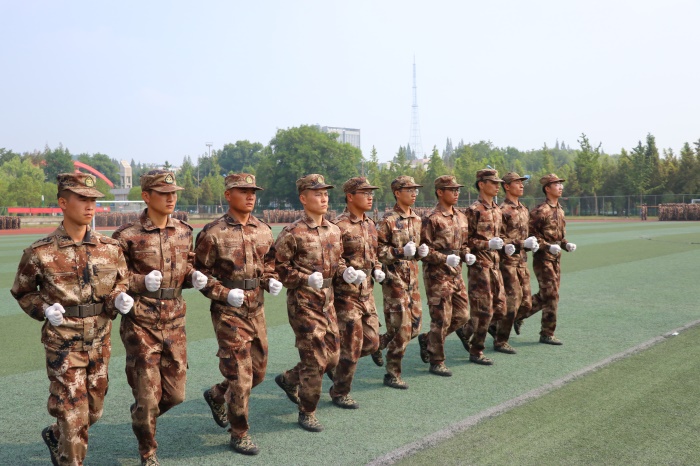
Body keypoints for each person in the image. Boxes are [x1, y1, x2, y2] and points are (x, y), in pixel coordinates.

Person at [11, 172, 133, 466]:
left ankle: (56, 435)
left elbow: (122, 281)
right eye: (82, 198)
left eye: (93, 199)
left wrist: (118, 298)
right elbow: (23, 291)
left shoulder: (110, 248)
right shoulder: (40, 252)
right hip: (63, 344)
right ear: (63, 203)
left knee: (93, 410)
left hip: (99, 341)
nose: (90, 205)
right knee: (74, 415)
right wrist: (44, 309)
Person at [112, 170, 206, 466]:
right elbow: (114, 278)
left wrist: (194, 276)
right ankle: (148, 452)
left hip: (175, 321)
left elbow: (186, 268)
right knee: (148, 397)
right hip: (141, 323)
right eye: (163, 193)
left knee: (176, 395)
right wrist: (140, 282)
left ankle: (142, 415)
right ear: (146, 196)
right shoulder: (126, 235)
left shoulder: (184, 231)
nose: (170, 198)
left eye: (173, 193)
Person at [194, 173, 282, 455]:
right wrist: (223, 293)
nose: (250, 196)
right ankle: (239, 433)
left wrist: (270, 280)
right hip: (228, 313)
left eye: (253, 191)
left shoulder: (263, 230)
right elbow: (199, 275)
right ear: (228, 195)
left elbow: (270, 265)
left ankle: (217, 394)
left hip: (256, 310)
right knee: (241, 378)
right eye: (243, 190)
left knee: (258, 372)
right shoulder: (213, 233)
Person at [273, 174, 358, 432]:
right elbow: (278, 268)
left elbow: (338, 261)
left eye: (325, 193)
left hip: (327, 302)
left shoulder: (333, 230)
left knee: (332, 357)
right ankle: (307, 411)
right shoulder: (292, 232)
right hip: (303, 303)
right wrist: (304, 278)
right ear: (303, 198)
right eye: (317, 194)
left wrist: (345, 271)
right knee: (315, 359)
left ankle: (290, 379)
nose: (323, 198)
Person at [328, 177, 383, 409]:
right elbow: (333, 258)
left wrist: (377, 268)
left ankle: (332, 364)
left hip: (366, 293)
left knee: (372, 342)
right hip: (345, 295)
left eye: (371, 193)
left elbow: (374, 254)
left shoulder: (370, 224)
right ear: (350, 197)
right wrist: (345, 272)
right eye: (365, 193)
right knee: (351, 348)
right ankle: (340, 392)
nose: (370, 197)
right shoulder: (337, 226)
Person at [416, 176, 476, 377]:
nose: (456, 193)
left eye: (457, 189)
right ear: (440, 192)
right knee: (441, 319)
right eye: (452, 189)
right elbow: (424, 251)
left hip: (456, 273)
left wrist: (466, 254)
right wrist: (444, 258)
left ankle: (428, 339)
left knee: (462, 316)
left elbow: (464, 243)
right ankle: (437, 361)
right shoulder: (431, 218)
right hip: (437, 276)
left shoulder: (460, 216)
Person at [374, 176, 429, 389]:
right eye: (409, 190)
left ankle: (378, 344)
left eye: (416, 190)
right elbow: (378, 251)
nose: (414, 193)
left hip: (412, 280)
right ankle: (392, 373)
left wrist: (420, 252)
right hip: (394, 281)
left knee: (415, 327)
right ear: (397, 193)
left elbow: (415, 250)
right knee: (403, 330)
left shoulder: (416, 219)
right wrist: (399, 251)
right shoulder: (388, 220)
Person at [515, 174, 577, 345]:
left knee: (547, 295)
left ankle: (516, 316)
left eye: (560, 184)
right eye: (556, 184)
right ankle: (547, 333)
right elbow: (530, 235)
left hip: (556, 257)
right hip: (543, 258)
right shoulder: (540, 211)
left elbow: (559, 236)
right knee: (551, 295)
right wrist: (547, 246)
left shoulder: (560, 210)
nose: (560, 187)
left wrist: (565, 244)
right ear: (547, 189)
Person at [462, 168, 509, 365]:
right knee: (484, 310)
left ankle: (466, 330)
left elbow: (501, 236)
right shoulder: (474, 210)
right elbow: (465, 241)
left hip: (495, 265)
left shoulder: (497, 210)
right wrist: (486, 244)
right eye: (493, 183)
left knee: (501, 308)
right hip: (480, 266)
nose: (498, 186)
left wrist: (505, 245)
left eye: (498, 183)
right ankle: (476, 351)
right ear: (481, 185)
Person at [490, 172, 540, 353]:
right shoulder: (501, 210)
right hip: (507, 262)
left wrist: (532, 243)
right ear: (506, 186)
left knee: (526, 304)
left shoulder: (524, 209)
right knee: (512, 303)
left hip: (521, 261)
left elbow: (527, 234)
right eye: (517, 182)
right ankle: (500, 341)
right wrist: (520, 244)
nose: (521, 185)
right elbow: (497, 237)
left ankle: (492, 325)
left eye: (522, 182)